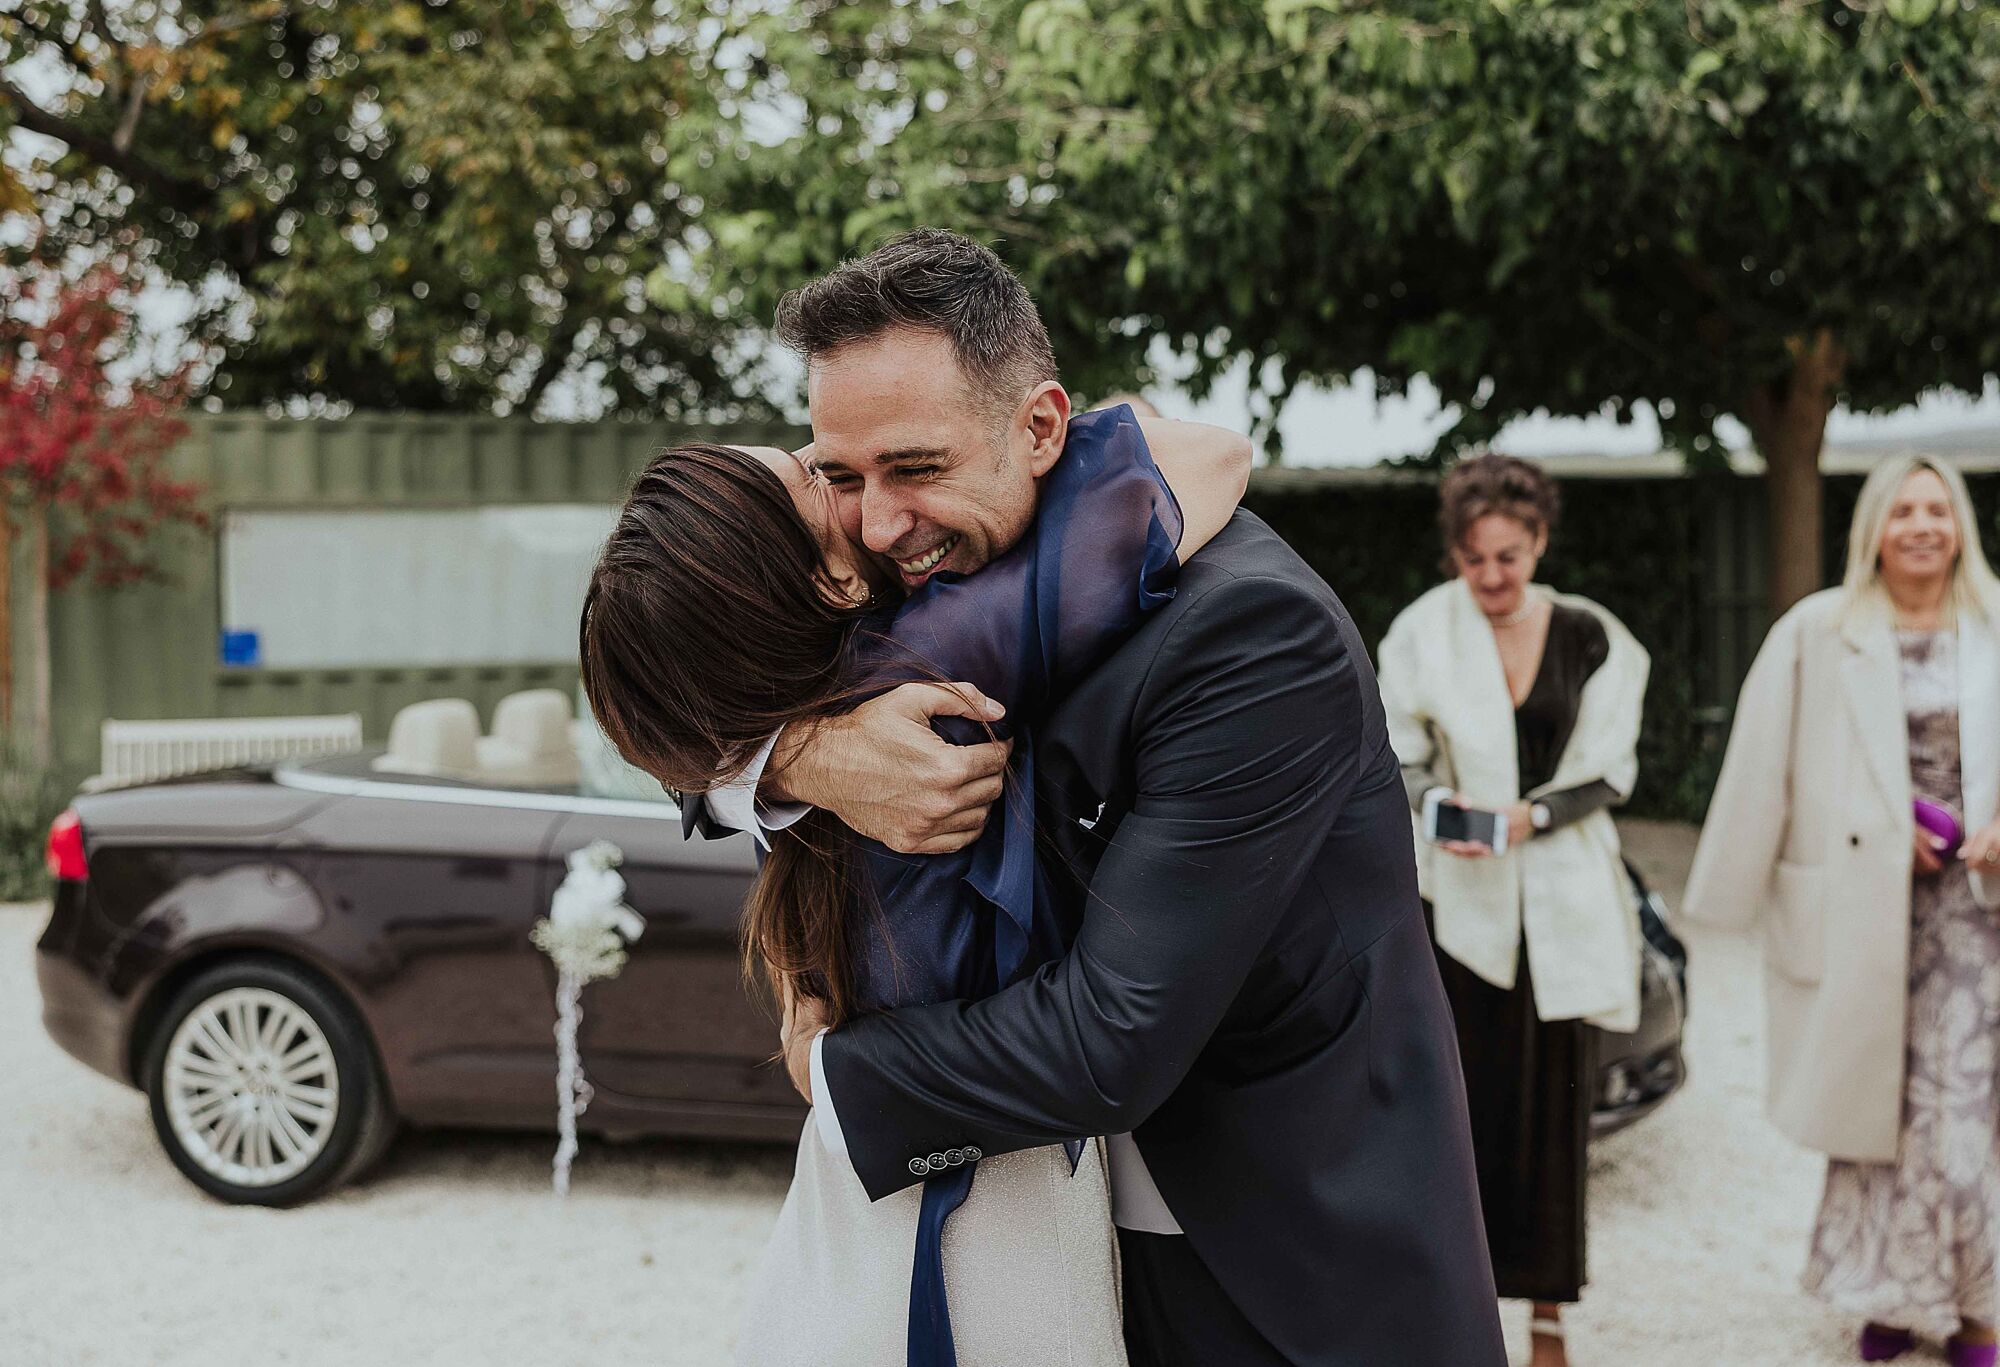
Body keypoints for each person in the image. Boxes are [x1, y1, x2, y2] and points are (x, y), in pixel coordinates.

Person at [690, 228, 1505, 1366]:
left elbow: (1110, 1037)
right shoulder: (914, 573)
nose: (875, 524)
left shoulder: (1247, 633)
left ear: (1039, 425)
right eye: (842, 473)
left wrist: (835, 1069)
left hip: (1272, 1258)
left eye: (915, 468)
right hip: (1045, 1249)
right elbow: (674, 686)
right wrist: (796, 757)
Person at [582, 403, 1248, 1365]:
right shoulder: (942, 653)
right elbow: (1212, 451)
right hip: (980, 1209)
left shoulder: (769, 697)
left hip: (849, 1196)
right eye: (815, 481)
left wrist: (783, 755)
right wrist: (1022, 435)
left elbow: (663, 714)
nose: (827, 462)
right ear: (829, 575)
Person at [1685, 455, 2000, 1367]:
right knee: (1880, 1108)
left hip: (1978, 921)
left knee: (1965, 1113)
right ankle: (1889, 1298)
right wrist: (1730, 899)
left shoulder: (1995, 621)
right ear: (1874, 526)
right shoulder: (1817, 629)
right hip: (1865, 910)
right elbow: (1766, 762)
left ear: (1960, 523)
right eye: (1902, 509)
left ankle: (1977, 1310)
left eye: (1938, 509)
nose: (1922, 525)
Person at [1376, 454, 1650, 1367]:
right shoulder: (1423, 632)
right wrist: (1438, 811)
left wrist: (1531, 817)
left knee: (1553, 1118)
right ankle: (1457, 1311)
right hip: (1459, 906)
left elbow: (1610, 770)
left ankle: (1547, 1316)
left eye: (1511, 556)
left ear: (1538, 543)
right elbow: (1397, 751)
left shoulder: (1595, 636)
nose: (1494, 577)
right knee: (1458, 1114)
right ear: (1455, 552)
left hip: (1562, 904)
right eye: (1476, 558)